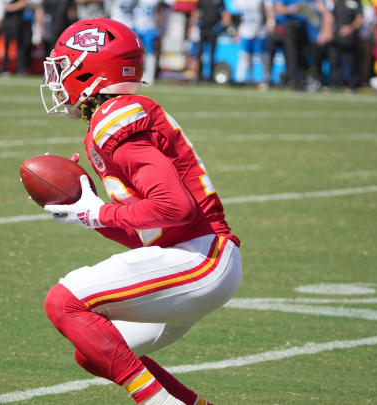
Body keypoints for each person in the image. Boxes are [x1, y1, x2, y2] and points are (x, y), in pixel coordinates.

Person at [39, 17, 242, 405]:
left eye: (63, 68)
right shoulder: (113, 118)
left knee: (63, 303)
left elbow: (173, 208)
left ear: (90, 71)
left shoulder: (113, 118)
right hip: (194, 255)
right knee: (96, 350)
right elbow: (145, 231)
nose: (56, 80)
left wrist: (97, 214)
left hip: (200, 255)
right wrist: (88, 209)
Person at [231, 0, 275, 86]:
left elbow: (269, 10)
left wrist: (270, 23)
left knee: (263, 56)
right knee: (244, 56)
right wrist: (236, 30)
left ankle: (267, 78)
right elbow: (236, 14)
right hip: (245, 30)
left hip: (260, 30)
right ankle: (242, 79)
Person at [190, 0, 231, 82]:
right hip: (203, 29)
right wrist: (191, 26)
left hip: (213, 29)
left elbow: (224, 13)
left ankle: (211, 77)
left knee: (212, 54)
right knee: (199, 54)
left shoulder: (219, 1)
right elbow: (197, 12)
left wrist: (223, 24)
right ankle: (199, 76)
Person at [273, 0, 309, 89]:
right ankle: (291, 81)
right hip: (290, 26)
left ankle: (297, 80)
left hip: (303, 27)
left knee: (303, 55)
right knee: (292, 55)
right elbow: (277, 7)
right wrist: (291, 9)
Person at [329, 0, 363, 90]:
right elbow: (330, 15)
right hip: (336, 37)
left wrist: (350, 28)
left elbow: (360, 18)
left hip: (351, 38)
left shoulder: (356, 2)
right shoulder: (336, 2)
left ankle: (352, 85)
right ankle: (335, 84)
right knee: (334, 61)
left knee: (351, 62)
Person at [133, 0, 163, 83]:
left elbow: (159, 13)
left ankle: (150, 75)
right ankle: (139, 73)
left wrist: (158, 28)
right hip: (137, 26)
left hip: (149, 27)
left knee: (150, 52)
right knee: (136, 52)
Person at [1, 0, 34, 74]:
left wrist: (9, 8)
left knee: (20, 46)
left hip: (18, 21)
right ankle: (4, 67)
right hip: (8, 21)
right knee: (6, 46)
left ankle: (20, 68)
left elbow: (23, 3)